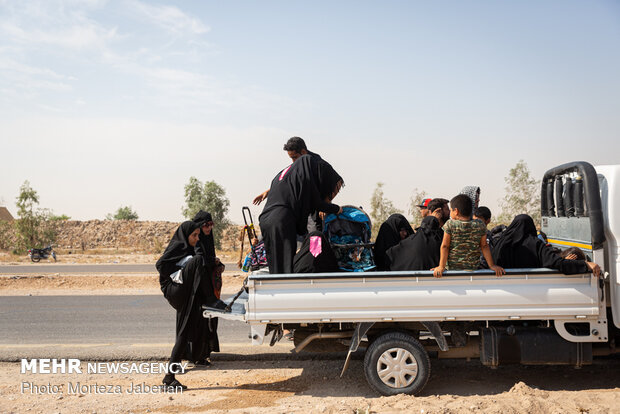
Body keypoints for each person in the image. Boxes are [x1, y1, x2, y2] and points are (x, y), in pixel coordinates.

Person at [156, 221, 225, 389]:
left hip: (185, 290)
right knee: (198, 260)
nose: (196, 238)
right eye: (194, 235)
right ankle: (210, 299)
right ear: (185, 236)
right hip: (174, 289)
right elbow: (160, 266)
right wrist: (178, 271)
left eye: (197, 235)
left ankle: (169, 378)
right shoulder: (177, 248)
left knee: (184, 331)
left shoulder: (189, 249)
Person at [259, 154, 342, 274]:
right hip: (282, 219)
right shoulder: (305, 173)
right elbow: (316, 203)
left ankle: (278, 289)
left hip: (266, 219)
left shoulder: (284, 175)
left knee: (276, 266)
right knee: (285, 267)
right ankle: (286, 290)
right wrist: (337, 209)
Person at [254, 137, 344, 233]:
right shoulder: (298, 166)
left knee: (315, 236)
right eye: (291, 158)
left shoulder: (319, 165)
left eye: (295, 157)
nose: (293, 162)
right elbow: (288, 181)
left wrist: (326, 203)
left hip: (317, 211)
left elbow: (338, 182)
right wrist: (268, 192)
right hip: (304, 209)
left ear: (303, 152)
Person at [492, 214, 601, 276]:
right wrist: (585, 264)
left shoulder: (500, 244)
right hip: (532, 292)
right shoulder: (535, 244)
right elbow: (557, 263)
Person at [433, 194, 504, 278]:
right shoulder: (480, 224)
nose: (450, 213)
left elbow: (445, 246)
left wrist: (441, 267)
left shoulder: (450, 224)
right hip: (473, 269)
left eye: (451, 210)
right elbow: (484, 246)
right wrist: (492, 265)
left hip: (453, 269)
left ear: (456, 211)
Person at [189, 211, 224, 366]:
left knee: (209, 320)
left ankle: (204, 353)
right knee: (199, 322)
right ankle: (196, 356)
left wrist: (216, 263)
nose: (209, 228)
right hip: (198, 288)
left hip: (209, 287)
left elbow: (207, 259)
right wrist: (212, 261)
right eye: (205, 225)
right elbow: (199, 260)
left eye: (211, 224)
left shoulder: (208, 239)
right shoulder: (195, 240)